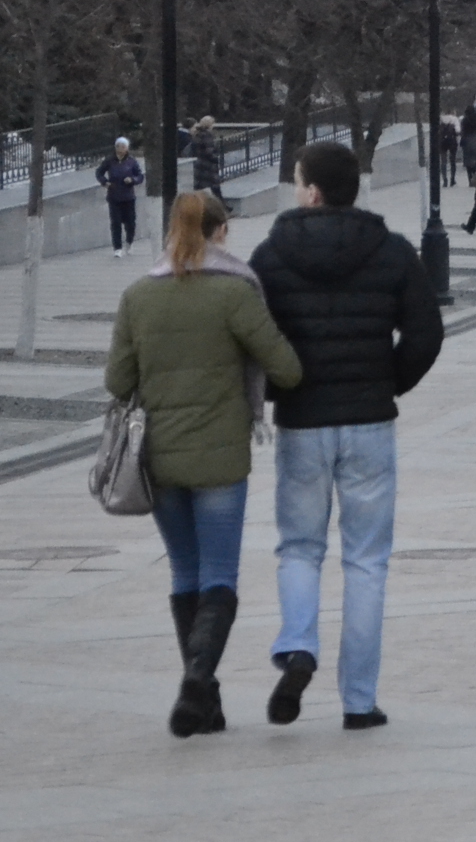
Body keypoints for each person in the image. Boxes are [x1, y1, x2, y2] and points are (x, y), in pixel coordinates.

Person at [250, 141, 445, 731]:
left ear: (312, 192)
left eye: (297, 180)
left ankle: (298, 644)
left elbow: (255, 338)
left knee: (299, 547)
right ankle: (359, 701)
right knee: (366, 561)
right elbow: (426, 333)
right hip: (369, 424)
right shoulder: (391, 251)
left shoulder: (271, 256)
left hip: (302, 423)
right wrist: (387, 382)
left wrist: (279, 390)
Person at [106, 191, 304, 737]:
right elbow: (285, 368)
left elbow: (117, 381)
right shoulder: (235, 291)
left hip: (160, 460)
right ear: (221, 232)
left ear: (172, 230)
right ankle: (197, 680)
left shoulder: (138, 295)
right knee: (219, 576)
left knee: (184, 573)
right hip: (220, 458)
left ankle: (206, 701)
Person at [96, 137, 145, 257]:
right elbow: (99, 172)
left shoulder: (131, 161)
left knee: (130, 222)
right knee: (115, 223)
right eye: (118, 146)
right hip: (114, 196)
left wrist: (132, 180)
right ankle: (117, 248)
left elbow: (140, 176)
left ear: (127, 148)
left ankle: (129, 242)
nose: (121, 149)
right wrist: (105, 182)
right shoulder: (109, 160)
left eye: (123, 146)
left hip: (128, 197)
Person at [190, 116, 223, 201]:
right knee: (214, 187)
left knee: (201, 187)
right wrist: (216, 159)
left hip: (200, 164)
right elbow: (209, 151)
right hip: (208, 166)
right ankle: (221, 205)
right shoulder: (207, 135)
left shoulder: (197, 134)